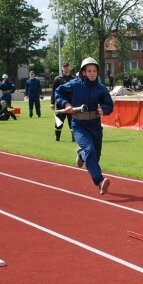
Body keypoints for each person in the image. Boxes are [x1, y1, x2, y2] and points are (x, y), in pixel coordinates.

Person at [54, 57, 114, 195]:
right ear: (83, 72)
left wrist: (103, 110)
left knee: (95, 155)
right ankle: (99, 182)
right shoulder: (74, 84)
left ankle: (81, 155)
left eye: (94, 71)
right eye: (89, 71)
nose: (92, 73)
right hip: (79, 124)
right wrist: (66, 104)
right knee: (90, 150)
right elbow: (59, 92)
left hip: (95, 125)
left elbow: (109, 105)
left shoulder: (101, 88)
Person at [51, 62, 75, 141]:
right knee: (59, 122)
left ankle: (74, 138)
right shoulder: (57, 79)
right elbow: (54, 91)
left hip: (71, 104)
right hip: (60, 104)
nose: (66, 68)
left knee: (72, 121)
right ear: (62, 69)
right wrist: (52, 103)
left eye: (67, 67)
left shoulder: (74, 79)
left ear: (69, 68)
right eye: (64, 67)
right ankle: (57, 137)